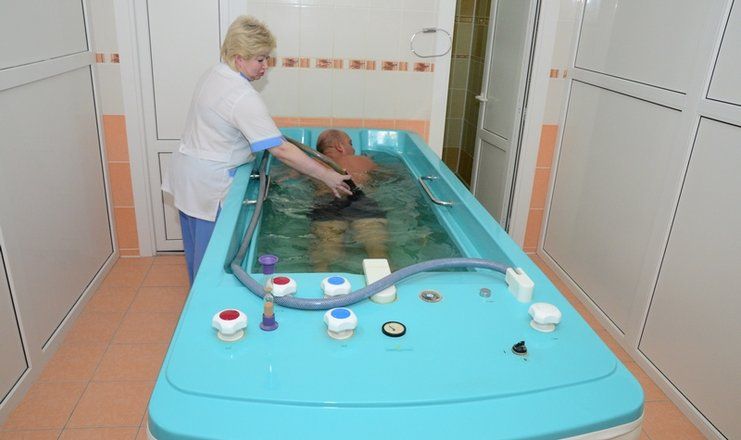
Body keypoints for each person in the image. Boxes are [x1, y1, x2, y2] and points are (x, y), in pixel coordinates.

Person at [162, 16, 353, 284]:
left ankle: (201, 298)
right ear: (239, 58)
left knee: (198, 258)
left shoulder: (216, 73)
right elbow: (281, 150)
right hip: (209, 184)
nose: (266, 66)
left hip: (189, 173)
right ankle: (211, 305)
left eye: (267, 58)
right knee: (212, 266)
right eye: (260, 59)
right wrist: (328, 176)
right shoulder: (242, 96)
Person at [308, 129, 389, 271]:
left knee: (326, 248)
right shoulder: (362, 160)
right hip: (360, 200)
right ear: (340, 147)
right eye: (351, 144)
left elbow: (285, 176)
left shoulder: (311, 164)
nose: (354, 149)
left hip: (327, 201)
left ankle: (321, 272)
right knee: (376, 245)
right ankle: (383, 273)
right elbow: (388, 175)